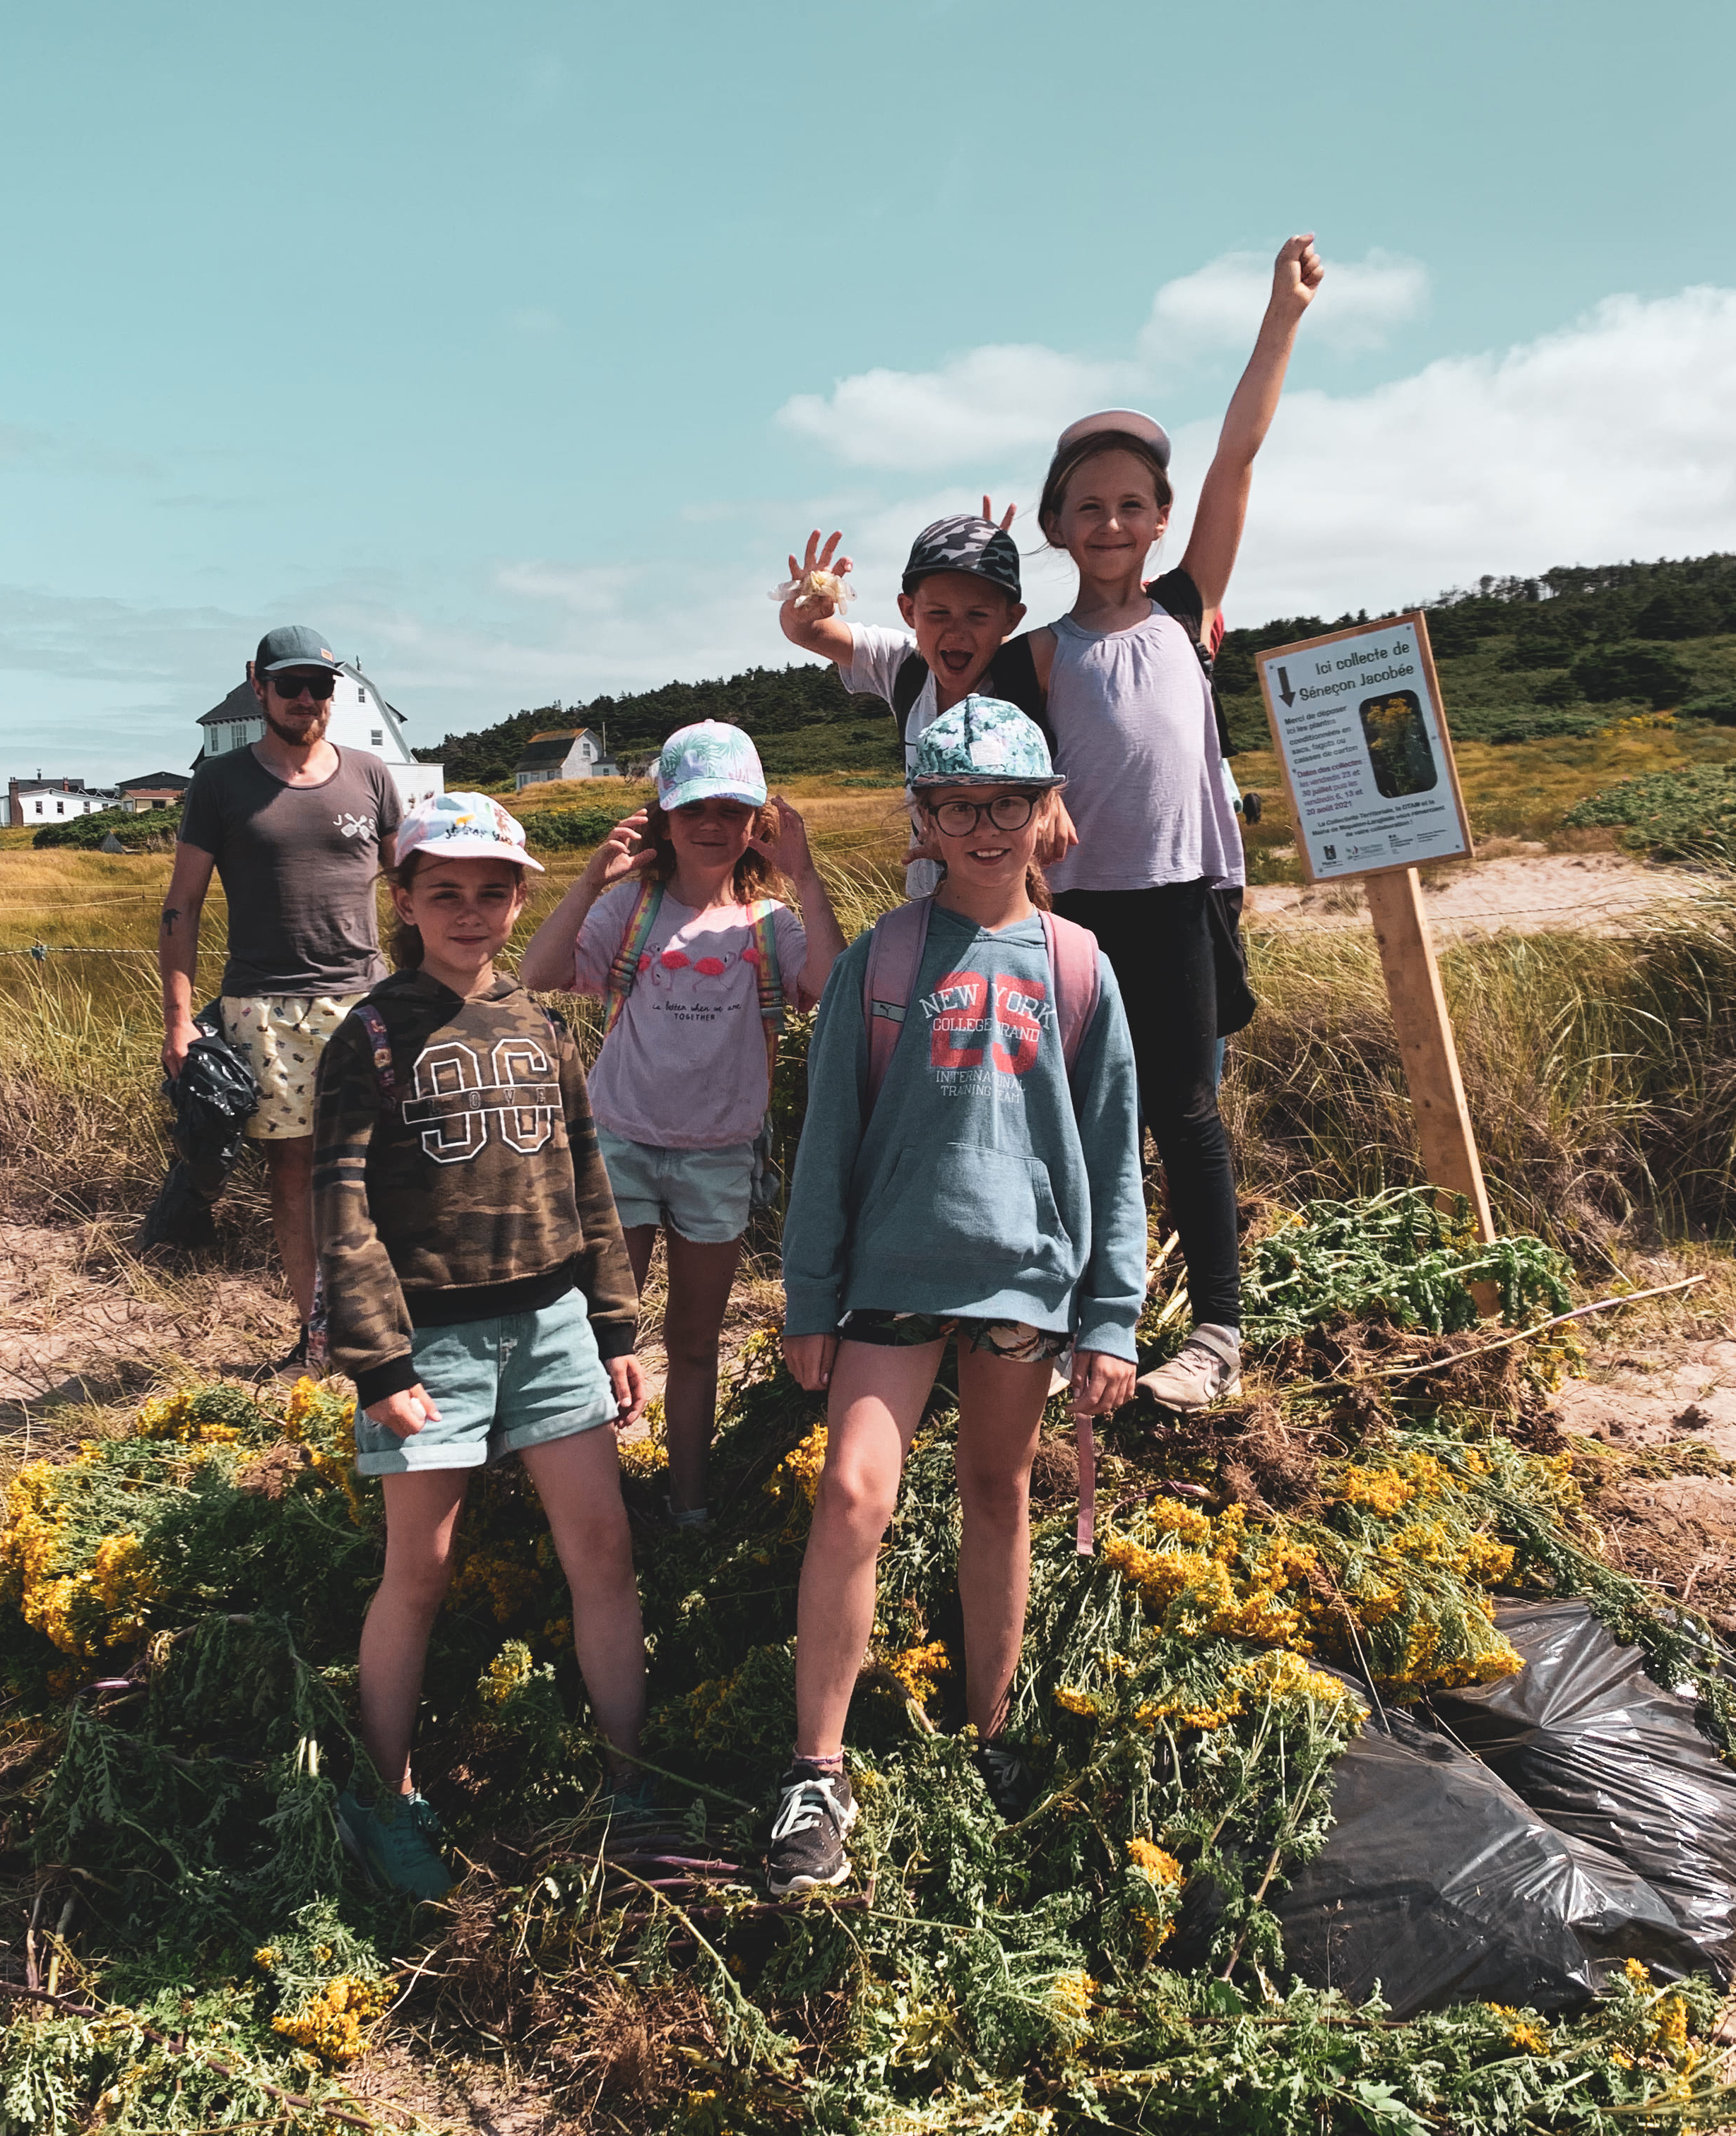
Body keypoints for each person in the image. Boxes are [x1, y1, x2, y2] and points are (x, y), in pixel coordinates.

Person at [765, 698, 1143, 1895]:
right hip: (889, 1280)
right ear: (920, 817)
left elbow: (1114, 1150)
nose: (983, 826)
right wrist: (808, 1300)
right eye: (956, 804)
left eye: (1007, 803)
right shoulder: (882, 958)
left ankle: (993, 1736)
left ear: (1045, 814)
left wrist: (1111, 1314)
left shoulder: (1079, 967)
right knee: (848, 1492)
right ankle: (814, 1777)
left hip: (1025, 1280)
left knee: (999, 1489)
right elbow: (826, 1141)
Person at [311, 793, 649, 1898]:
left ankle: (631, 1779)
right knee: (422, 1567)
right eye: (443, 892)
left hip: (554, 1324)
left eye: (493, 892)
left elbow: (586, 1182)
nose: (470, 911)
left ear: (520, 901)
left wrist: (612, 1325)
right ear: (402, 900)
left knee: (601, 1550)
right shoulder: (368, 1033)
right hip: (432, 1339)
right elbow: (345, 1209)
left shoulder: (542, 1027)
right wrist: (380, 1364)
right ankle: (386, 1792)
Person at [1018, 232, 1325, 1413]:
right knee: (1086, 1118)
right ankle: (1089, 1320)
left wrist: (1279, 320)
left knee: (1185, 1110)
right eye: (1086, 506)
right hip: (1077, 917)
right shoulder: (1031, 656)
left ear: (1157, 520)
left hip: (1183, 901)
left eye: (1131, 504)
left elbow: (1239, 454)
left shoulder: (1190, 610)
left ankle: (1216, 1330)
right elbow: (975, 749)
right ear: (1057, 525)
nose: (1110, 522)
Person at [518, 721, 845, 1526]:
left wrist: (805, 879)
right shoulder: (630, 907)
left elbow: (833, 992)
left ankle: (687, 1506)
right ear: (662, 817)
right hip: (620, 1144)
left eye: (732, 809)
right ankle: (591, 1509)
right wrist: (590, 881)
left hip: (720, 1158)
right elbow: (541, 973)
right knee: (603, 1332)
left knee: (696, 1343)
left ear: (757, 823)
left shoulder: (774, 924)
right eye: (692, 806)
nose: (711, 824)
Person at [161, 624, 404, 1365]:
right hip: (264, 1009)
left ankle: (388, 1327)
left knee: (385, 1170)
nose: (307, 700)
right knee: (293, 1173)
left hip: (366, 1001)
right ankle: (319, 1336)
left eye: (320, 686)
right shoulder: (221, 783)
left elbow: (410, 892)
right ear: (257, 684)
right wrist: (178, 1022)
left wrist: (426, 994)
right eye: (291, 685)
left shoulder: (371, 775)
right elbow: (183, 905)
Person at [775, 511, 1027, 897]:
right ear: (908, 611)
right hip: (926, 907)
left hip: (1014, 907)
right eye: (937, 613)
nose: (956, 631)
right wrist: (806, 603)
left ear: (1011, 620)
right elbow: (806, 631)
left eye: (978, 615)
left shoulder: (1031, 676)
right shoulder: (903, 665)